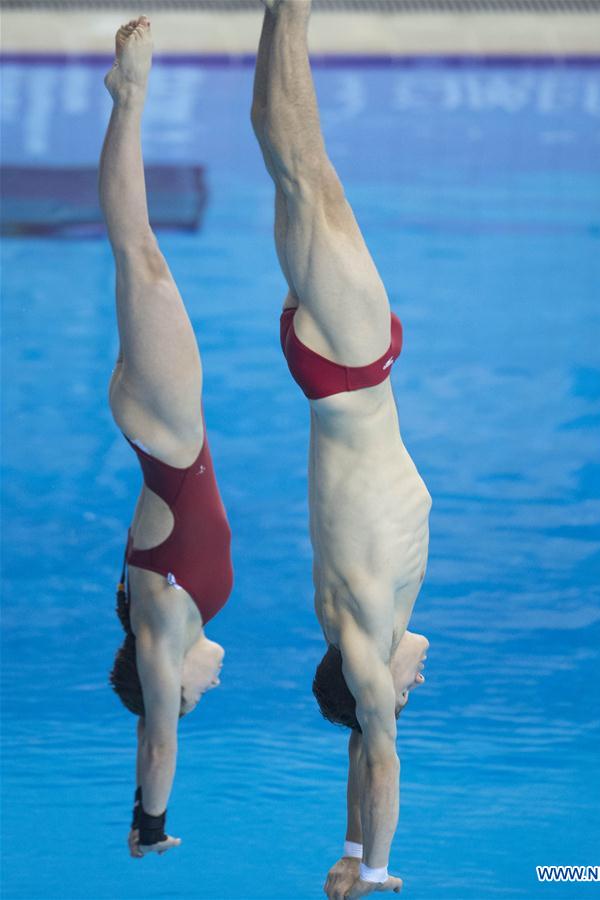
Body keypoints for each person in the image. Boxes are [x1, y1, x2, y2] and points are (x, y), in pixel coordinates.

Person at [251, 3, 431, 897]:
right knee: (291, 167)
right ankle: (286, 10)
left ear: (373, 690)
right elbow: (363, 751)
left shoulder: (366, 639)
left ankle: (294, 7)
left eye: (405, 694)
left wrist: (379, 870)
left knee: (301, 165)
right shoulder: (355, 628)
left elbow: (380, 753)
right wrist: (350, 848)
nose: (420, 679)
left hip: (355, 367)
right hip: (337, 374)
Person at [99, 17, 232, 859]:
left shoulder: (160, 632)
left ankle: (129, 97)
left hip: (169, 432)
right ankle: (130, 99)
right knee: (138, 257)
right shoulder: (158, 609)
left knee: (138, 250)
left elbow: (156, 740)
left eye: (191, 698)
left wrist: (149, 824)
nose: (205, 690)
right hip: (165, 432)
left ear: (169, 690)